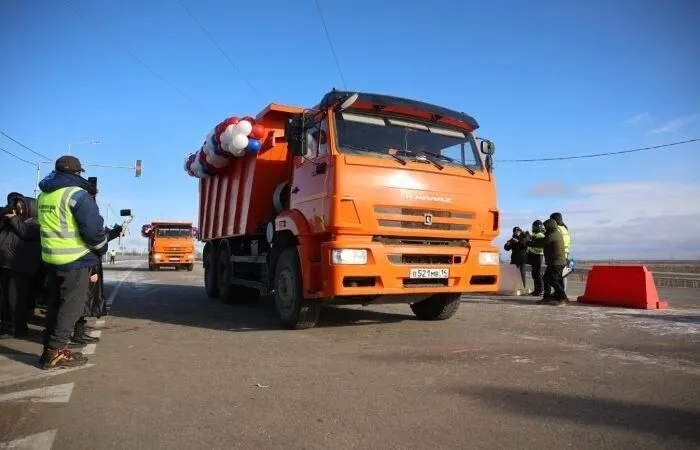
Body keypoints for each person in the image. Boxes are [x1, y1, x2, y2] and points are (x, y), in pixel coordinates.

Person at [37, 155, 109, 369]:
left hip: (51, 258)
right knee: (72, 307)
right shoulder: (77, 195)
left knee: (55, 305)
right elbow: (93, 231)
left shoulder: (44, 196)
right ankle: (55, 352)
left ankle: (48, 349)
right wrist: (101, 249)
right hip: (75, 259)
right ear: (77, 173)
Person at [0, 193, 41, 339]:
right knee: (4, 298)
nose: (19, 211)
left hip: (20, 266)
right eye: (17, 208)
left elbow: (26, 233)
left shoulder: (35, 223)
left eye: (22, 208)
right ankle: (6, 324)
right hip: (5, 264)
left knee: (15, 299)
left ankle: (18, 328)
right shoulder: (11, 221)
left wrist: (14, 219)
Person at [527, 218, 568, 306]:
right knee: (546, 278)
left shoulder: (553, 235)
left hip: (557, 262)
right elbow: (541, 239)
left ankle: (563, 298)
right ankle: (547, 297)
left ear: (549, 226)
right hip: (554, 261)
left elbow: (541, 243)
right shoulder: (553, 233)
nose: (544, 228)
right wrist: (530, 238)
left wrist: (527, 242)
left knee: (553, 280)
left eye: (545, 227)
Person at [549, 212, 571, 291]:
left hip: (559, 252)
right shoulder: (565, 228)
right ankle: (561, 291)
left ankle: (560, 292)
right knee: (562, 274)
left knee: (557, 275)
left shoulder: (557, 228)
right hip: (565, 252)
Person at [503, 226, 528, 291]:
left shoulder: (524, 237)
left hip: (522, 259)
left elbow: (524, 245)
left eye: (517, 231)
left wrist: (517, 241)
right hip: (514, 259)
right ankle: (514, 287)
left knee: (522, 274)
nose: (516, 232)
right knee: (513, 274)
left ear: (520, 231)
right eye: (515, 231)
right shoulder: (512, 239)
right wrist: (507, 245)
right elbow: (507, 249)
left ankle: (523, 288)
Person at [526, 220, 545, 297]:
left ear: (538, 227)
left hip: (537, 256)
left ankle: (539, 290)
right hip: (535, 255)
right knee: (535, 274)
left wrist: (529, 239)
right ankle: (537, 289)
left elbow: (536, 244)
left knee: (537, 274)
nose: (533, 228)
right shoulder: (536, 234)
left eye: (534, 227)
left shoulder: (540, 235)